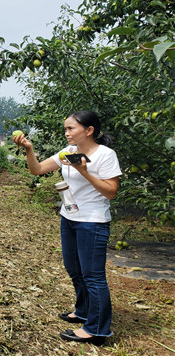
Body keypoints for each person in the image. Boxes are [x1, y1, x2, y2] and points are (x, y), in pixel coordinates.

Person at [13, 110, 121, 345]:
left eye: (71, 128)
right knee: (74, 268)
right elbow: (38, 170)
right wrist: (29, 150)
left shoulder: (105, 155)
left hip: (92, 221)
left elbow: (111, 192)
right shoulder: (68, 152)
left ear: (89, 130)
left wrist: (84, 172)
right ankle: (83, 310)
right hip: (69, 217)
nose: (66, 133)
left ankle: (97, 329)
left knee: (93, 276)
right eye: (66, 128)